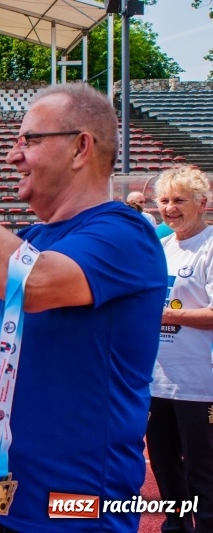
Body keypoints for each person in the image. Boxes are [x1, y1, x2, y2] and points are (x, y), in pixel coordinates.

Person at [0, 83, 166, 532]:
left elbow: (34, 284)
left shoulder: (125, 233)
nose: (12, 156)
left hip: (77, 507)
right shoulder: (35, 238)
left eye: (29, 140)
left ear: (81, 147)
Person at [146, 165, 213, 533]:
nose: (169, 208)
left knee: (203, 471)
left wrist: (166, 316)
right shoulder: (160, 248)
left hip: (200, 384)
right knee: (164, 466)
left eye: (179, 200)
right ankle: (175, 526)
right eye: (164, 200)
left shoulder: (210, 246)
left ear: (202, 203)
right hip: (157, 381)